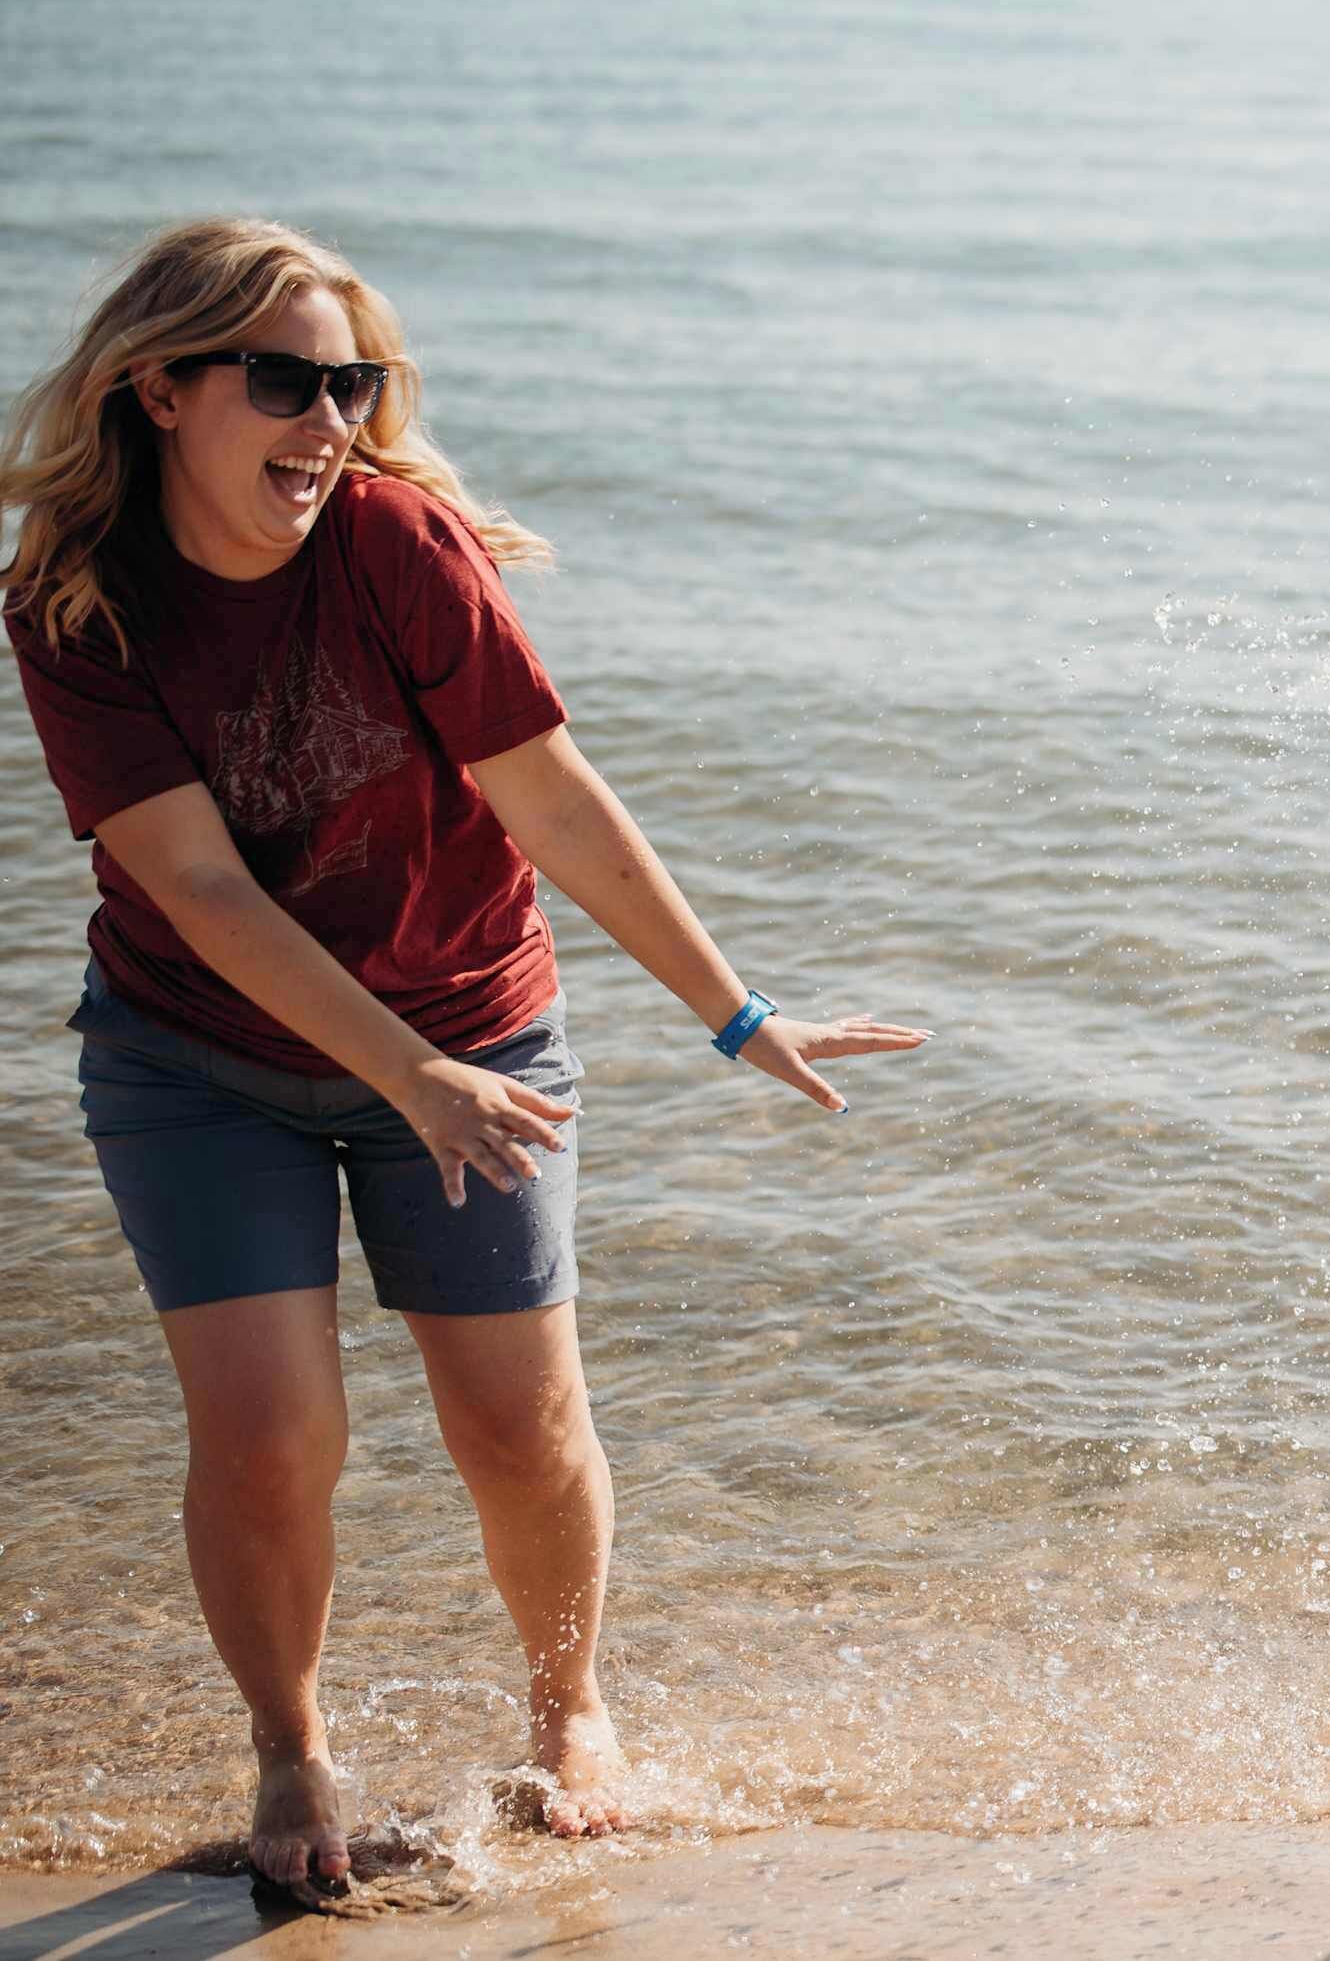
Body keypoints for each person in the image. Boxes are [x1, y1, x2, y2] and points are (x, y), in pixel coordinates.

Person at [0, 218, 929, 1900]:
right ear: (159, 387)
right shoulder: (78, 600)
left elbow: (554, 800)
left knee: (517, 1421)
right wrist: (402, 1075)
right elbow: (197, 885)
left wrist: (736, 1014)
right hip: (197, 1056)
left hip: (474, 1023)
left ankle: (571, 1703)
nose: (330, 421)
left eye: (352, 383)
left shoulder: (400, 546)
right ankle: (290, 1748)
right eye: (285, 380)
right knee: (272, 1432)